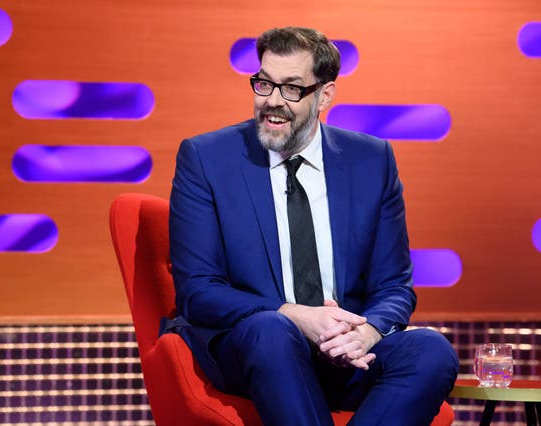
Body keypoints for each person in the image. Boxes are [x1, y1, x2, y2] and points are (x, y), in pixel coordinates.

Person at [169, 26, 458, 426]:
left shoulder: (371, 161)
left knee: (431, 349)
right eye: (264, 83)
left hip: (345, 353)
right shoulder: (206, 158)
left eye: (291, 89)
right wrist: (295, 316)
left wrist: (366, 333)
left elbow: (394, 286)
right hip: (256, 349)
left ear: (325, 95)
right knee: (271, 330)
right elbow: (197, 290)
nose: (272, 101)